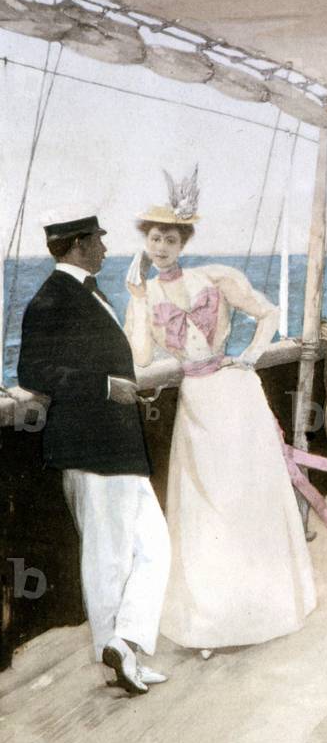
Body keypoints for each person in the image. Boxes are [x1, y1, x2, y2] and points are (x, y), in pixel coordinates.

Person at [123, 173, 316, 656]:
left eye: (169, 238)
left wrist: (250, 354)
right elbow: (142, 358)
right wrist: (139, 297)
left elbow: (268, 313)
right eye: (153, 238)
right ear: (144, 243)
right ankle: (213, 620)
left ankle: (260, 608)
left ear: (183, 241)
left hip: (236, 394)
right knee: (204, 506)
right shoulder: (145, 296)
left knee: (243, 498)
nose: (161, 246)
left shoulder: (214, 277)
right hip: (196, 400)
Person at [17, 216, 170, 696]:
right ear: (79, 245)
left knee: (155, 548)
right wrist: (105, 387)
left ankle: (122, 644)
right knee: (108, 559)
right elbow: (32, 372)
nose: (105, 247)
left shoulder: (87, 291)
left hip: (117, 447)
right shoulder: (51, 299)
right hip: (90, 448)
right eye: (98, 240)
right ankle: (118, 654)